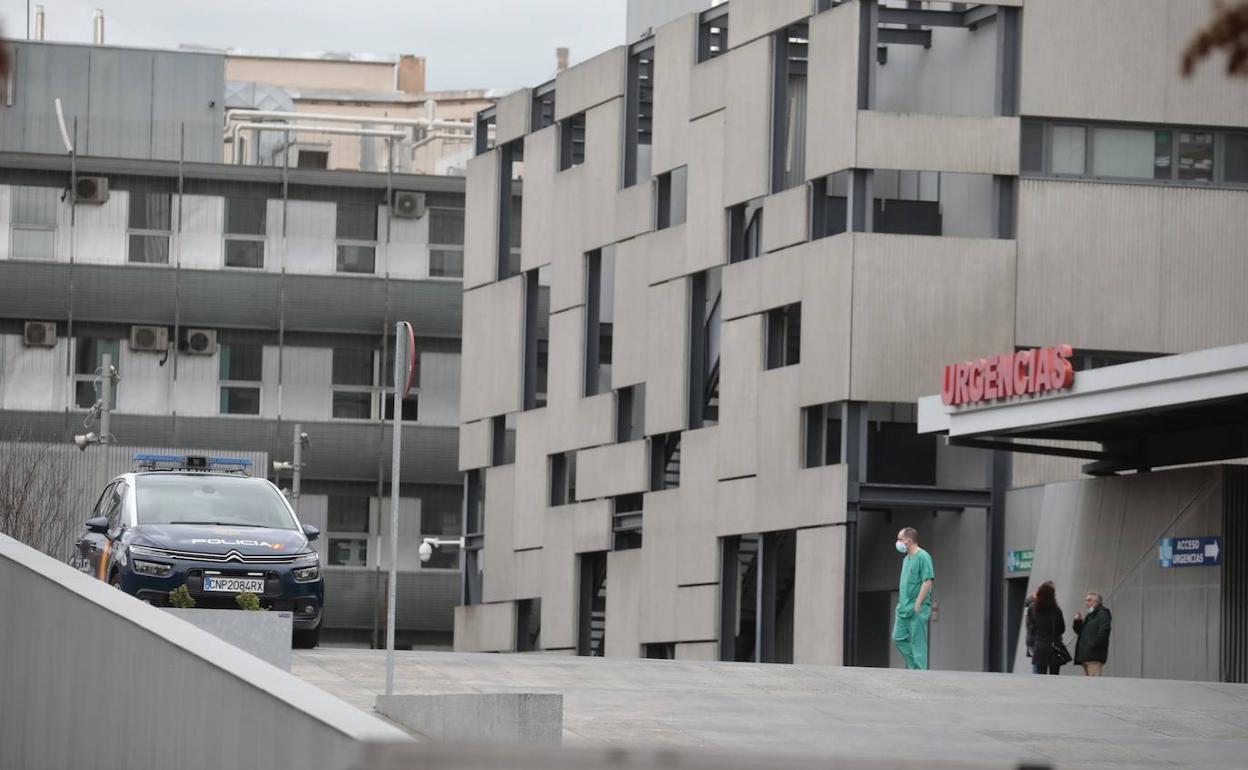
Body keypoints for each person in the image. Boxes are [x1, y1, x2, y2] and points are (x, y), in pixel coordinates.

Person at [892, 527, 935, 670]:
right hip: (903, 608)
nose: (898, 543)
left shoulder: (923, 557)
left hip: (918, 608)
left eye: (900, 539)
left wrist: (918, 602)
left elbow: (928, 580)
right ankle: (913, 665)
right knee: (898, 638)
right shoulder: (906, 560)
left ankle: (920, 672)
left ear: (908, 541)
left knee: (918, 642)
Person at [1025, 581, 1066, 675]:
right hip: (1054, 646)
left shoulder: (1032, 608)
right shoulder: (1056, 609)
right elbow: (1062, 628)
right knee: (1054, 677)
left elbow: (1030, 626)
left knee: (1039, 677)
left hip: (1039, 646)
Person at [1073, 592, 1112, 676]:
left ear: (1097, 602)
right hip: (1087, 655)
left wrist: (1093, 644)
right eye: (1086, 600)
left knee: (1094, 684)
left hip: (1094, 655)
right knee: (1089, 684)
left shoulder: (1102, 614)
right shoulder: (1090, 615)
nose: (1086, 603)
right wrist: (1078, 622)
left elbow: (1104, 632)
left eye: (1089, 600)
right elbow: (1080, 632)